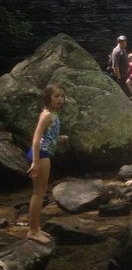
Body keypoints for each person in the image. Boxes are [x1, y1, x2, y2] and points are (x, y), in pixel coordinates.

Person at [26, 84, 68, 244]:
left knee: (40, 192)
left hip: (43, 154)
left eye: (62, 96)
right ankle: (33, 231)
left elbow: (47, 136)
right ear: (48, 98)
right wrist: (35, 161)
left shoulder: (53, 114)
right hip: (40, 156)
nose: (60, 99)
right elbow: (36, 138)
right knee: (38, 193)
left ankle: (36, 227)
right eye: (56, 96)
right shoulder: (46, 115)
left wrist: (59, 138)